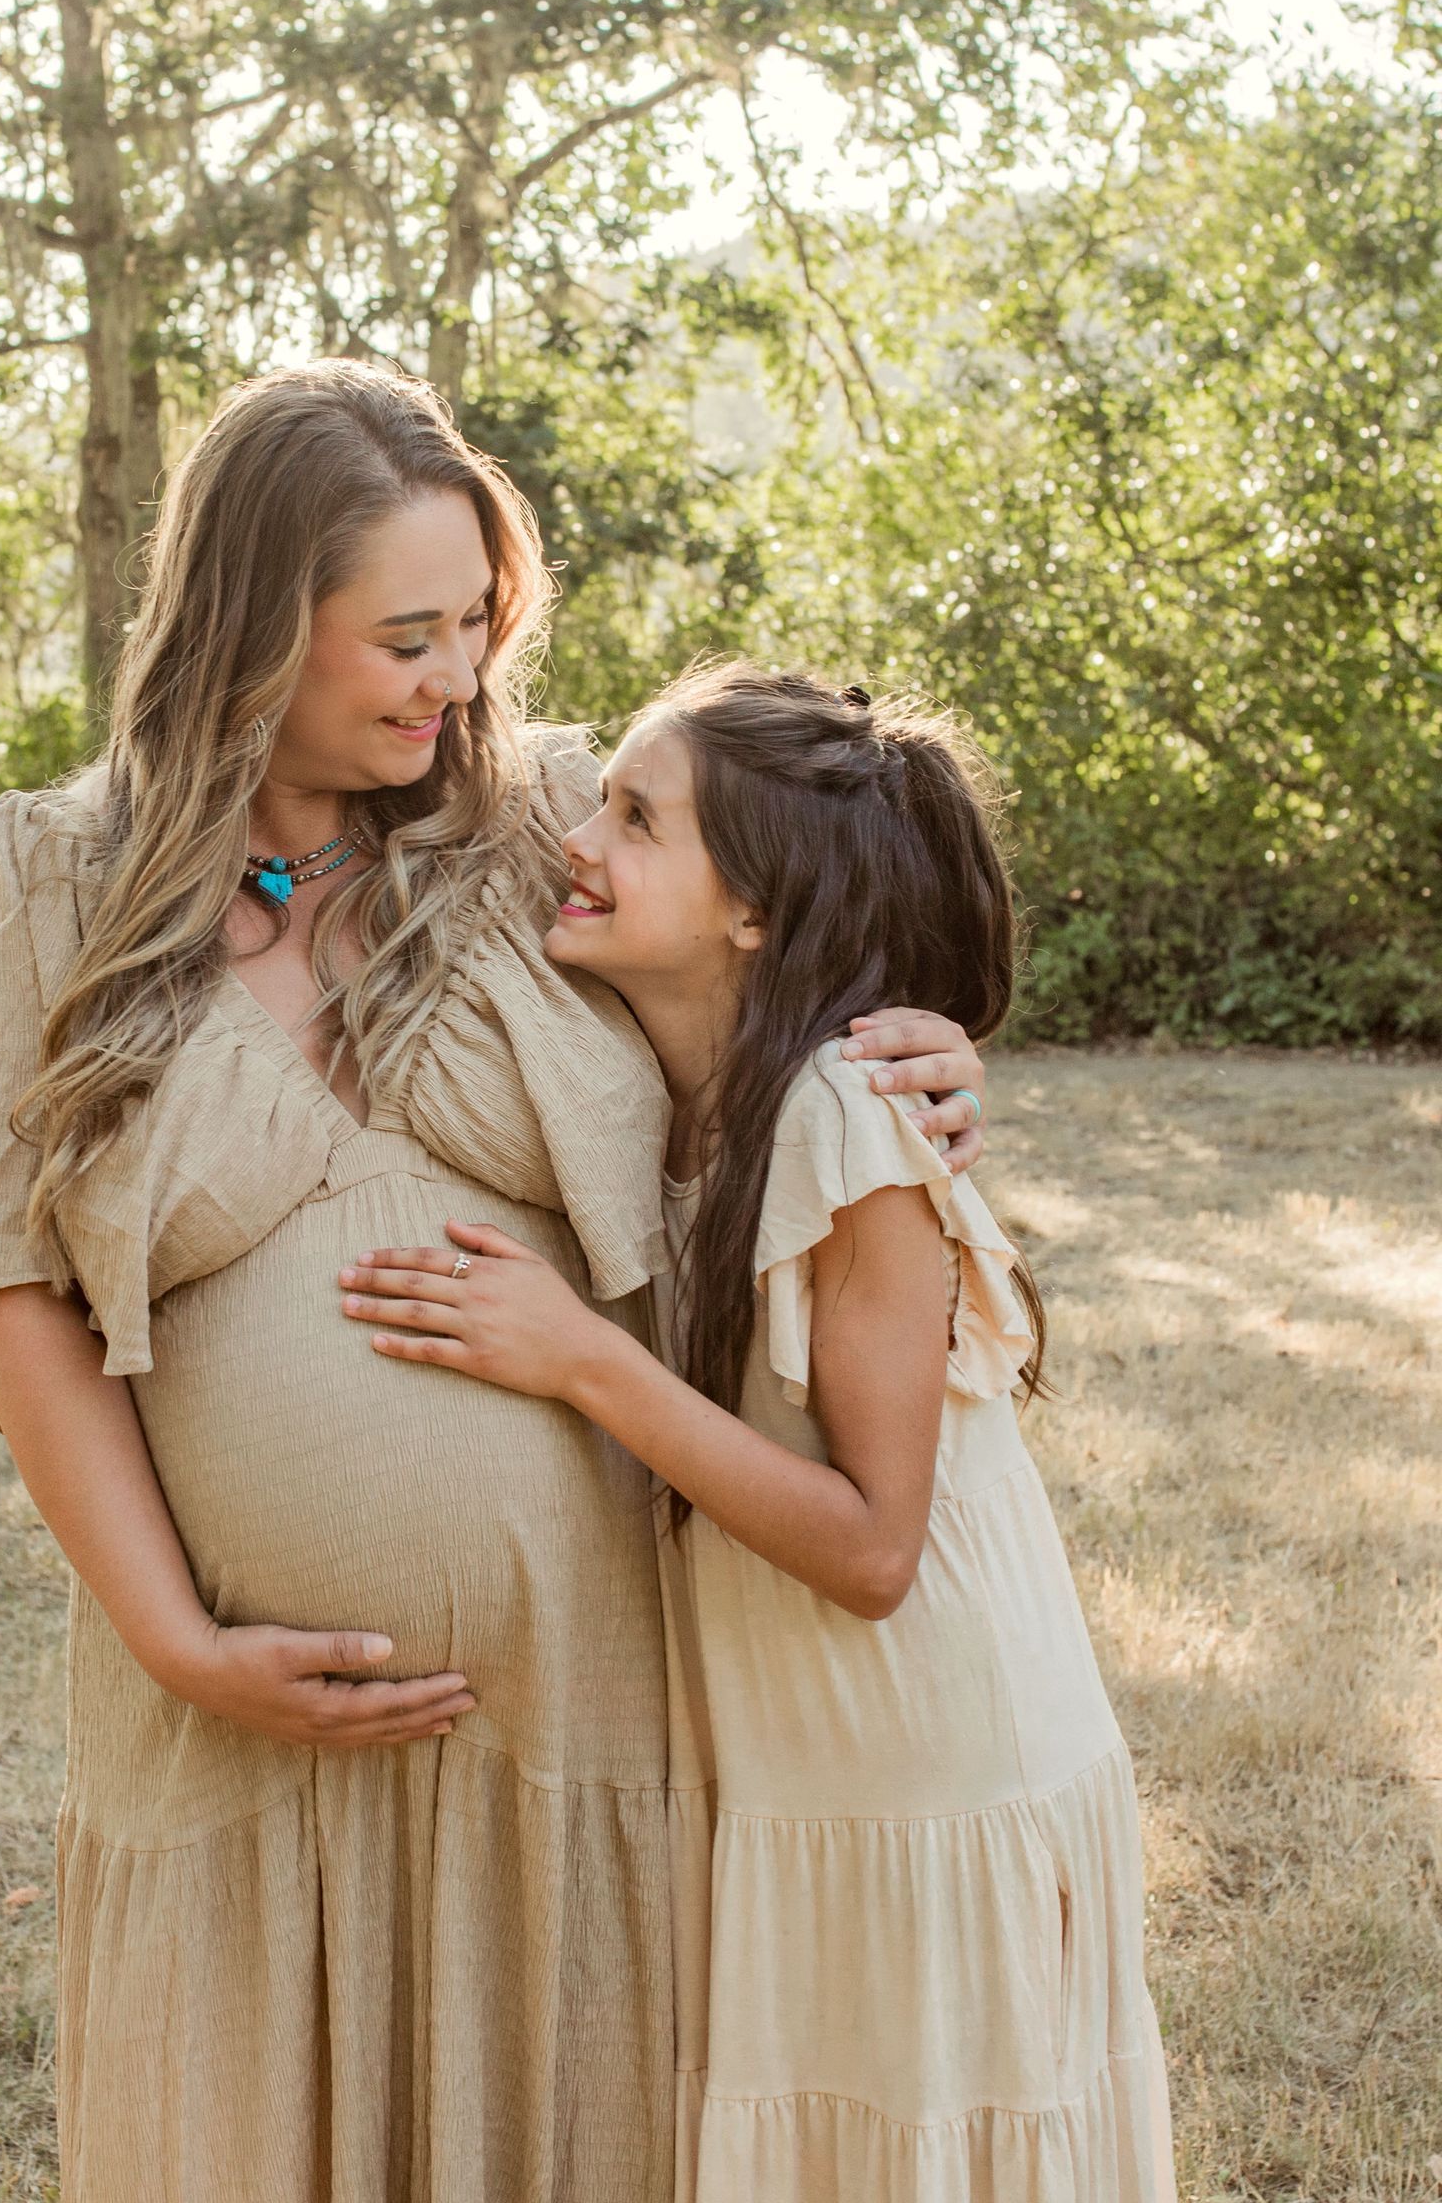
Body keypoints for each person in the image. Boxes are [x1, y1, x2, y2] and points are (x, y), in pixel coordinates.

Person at [0, 366, 991, 2202]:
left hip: (583, 1714)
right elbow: (14, 1296)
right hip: (232, 1735)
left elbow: (833, 905)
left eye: (478, 624)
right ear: (257, 628)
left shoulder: (557, 821)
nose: (458, 678)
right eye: (406, 636)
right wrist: (183, 1644)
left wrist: (939, 1042)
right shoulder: (51, 872)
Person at [339, 659, 1177, 2201]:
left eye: (639, 820)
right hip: (824, 1776)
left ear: (754, 915)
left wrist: (583, 1363)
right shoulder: (697, 1104)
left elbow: (873, 1550)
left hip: (934, 1770)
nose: (581, 838)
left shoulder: (840, 1121)